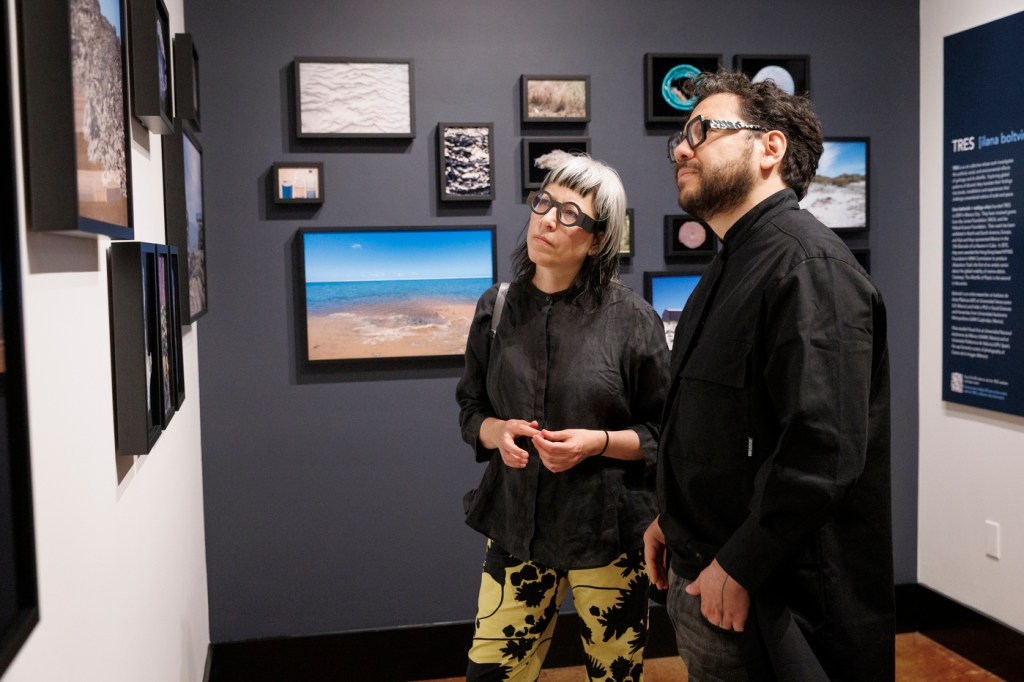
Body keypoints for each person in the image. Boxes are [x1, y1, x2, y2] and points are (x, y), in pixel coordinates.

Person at [644, 69, 894, 681]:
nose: (681, 147)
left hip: (770, 600)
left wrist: (741, 564)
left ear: (770, 148)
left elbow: (823, 448)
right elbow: (719, 425)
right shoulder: (729, 266)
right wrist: (670, 517)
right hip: (708, 572)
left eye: (701, 129)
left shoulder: (809, 267)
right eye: (681, 134)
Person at [457, 153, 670, 681]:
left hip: (609, 533)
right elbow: (471, 408)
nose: (548, 219)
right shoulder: (497, 308)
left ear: (598, 239)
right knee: (491, 675)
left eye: (570, 214)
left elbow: (664, 432)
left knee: (614, 677)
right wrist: (497, 430)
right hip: (517, 528)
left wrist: (594, 443)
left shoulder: (631, 318)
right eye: (544, 203)